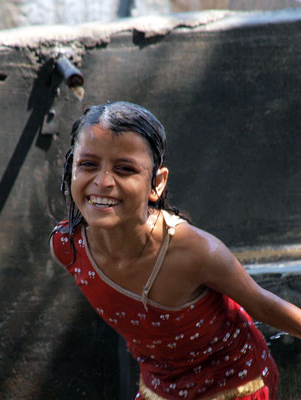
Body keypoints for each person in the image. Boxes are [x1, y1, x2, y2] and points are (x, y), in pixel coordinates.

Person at [50, 101, 301, 399]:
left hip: (234, 385)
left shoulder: (194, 251)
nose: (103, 182)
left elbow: (263, 305)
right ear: (70, 170)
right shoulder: (67, 247)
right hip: (161, 389)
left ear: (156, 184)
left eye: (125, 169)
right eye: (88, 164)